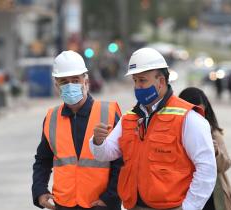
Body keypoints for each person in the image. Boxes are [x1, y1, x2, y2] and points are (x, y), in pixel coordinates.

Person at [90, 48, 217, 210]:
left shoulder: (188, 118)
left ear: (161, 81)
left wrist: (189, 207)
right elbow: (106, 153)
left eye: (142, 80)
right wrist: (98, 141)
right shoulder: (129, 118)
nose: (137, 86)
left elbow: (206, 168)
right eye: (135, 81)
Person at [32, 50, 123, 210]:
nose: (70, 86)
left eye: (75, 80)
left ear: (85, 81)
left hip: (101, 204)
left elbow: (121, 162)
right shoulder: (52, 117)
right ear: (56, 85)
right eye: (64, 81)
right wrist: (40, 190)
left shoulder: (108, 112)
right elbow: (43, 160)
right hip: (64, 204)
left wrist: (109, 198)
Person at [179, 87, 231, 210]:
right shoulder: (175, 131)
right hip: (183, 191)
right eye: (194, 112)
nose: (198, 117)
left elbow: (226, 164)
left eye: (202, 112)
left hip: (212, 194)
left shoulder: (212, 132)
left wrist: (216, 152)